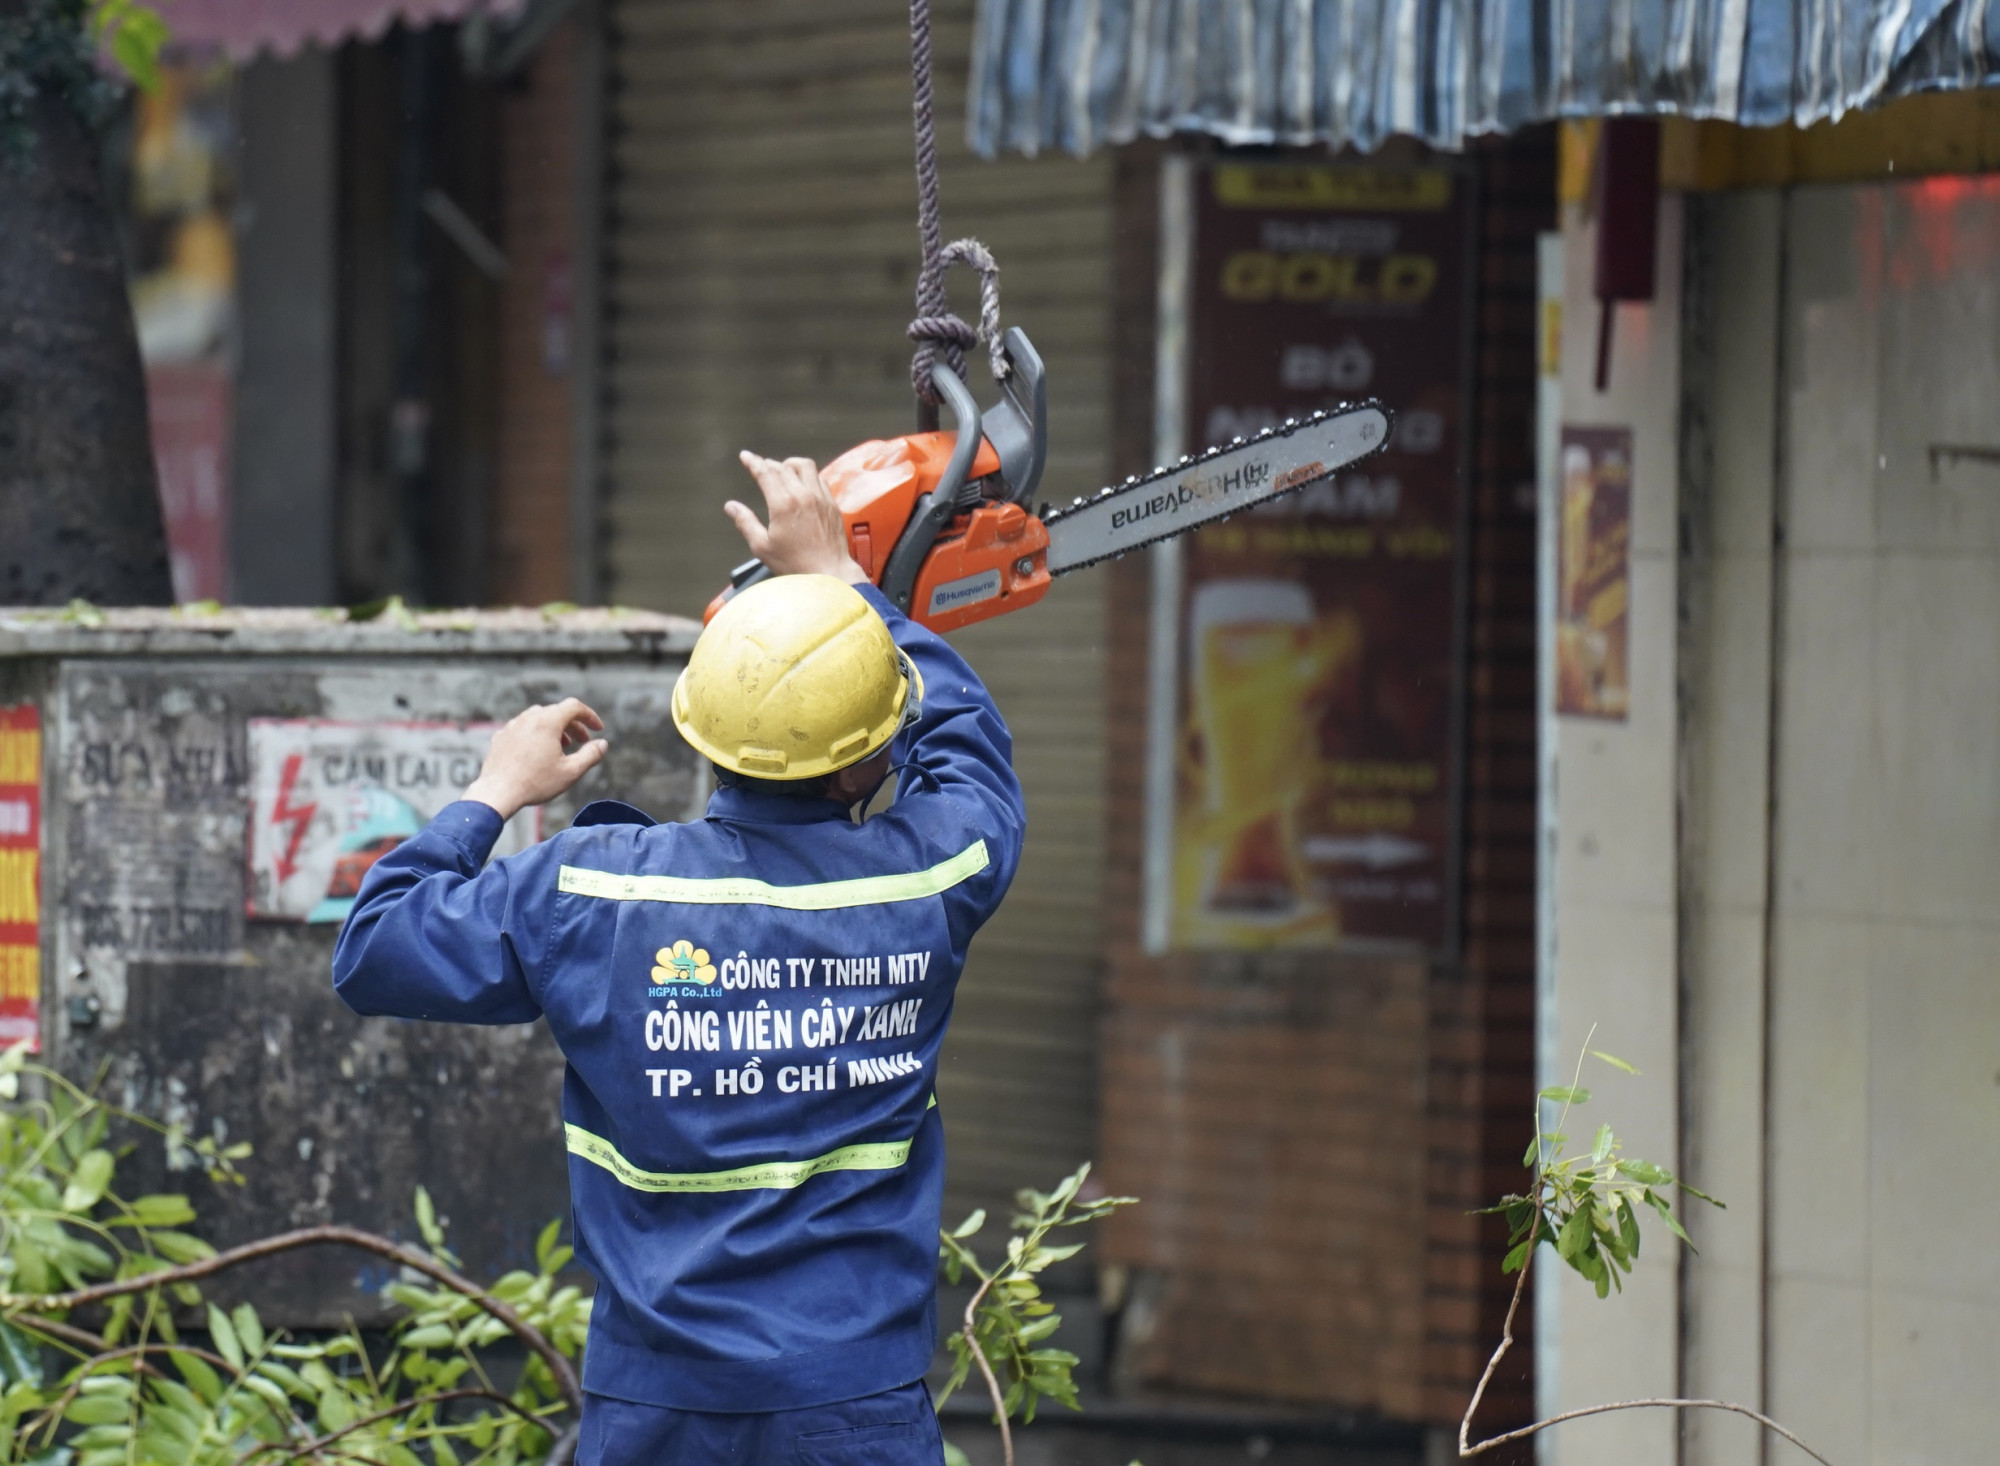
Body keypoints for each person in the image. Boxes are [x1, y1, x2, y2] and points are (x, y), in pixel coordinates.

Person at [332, 451, 1026, 1465]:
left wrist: (494, 791)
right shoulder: (924, 878)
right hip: (854, 1408)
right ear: (873, 754)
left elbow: (375, 945)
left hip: (654, 1413)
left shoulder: (592, 892)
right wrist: (845, 584)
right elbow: (966, 747)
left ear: (704, 729)